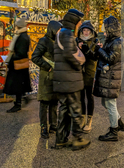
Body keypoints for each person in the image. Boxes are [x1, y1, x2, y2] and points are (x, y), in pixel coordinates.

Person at [53, 9, 90, 151]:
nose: (80, 24)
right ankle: (79, 139)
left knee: (63, 109)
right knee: (75, 109)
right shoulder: (68, 33)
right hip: (70, 79)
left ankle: (61, 139)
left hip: (62, 79)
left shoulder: (60, 33)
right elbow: (69, 54)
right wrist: (78, 64)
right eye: (79, 21)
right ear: (74, 21)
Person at [93, 16, 124, 141]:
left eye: (106, 29)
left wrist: (100, 50)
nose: (104, 32)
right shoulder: (112, 40)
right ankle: (119, 123)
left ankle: (114, 131)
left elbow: (110, 59)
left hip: (112, 77)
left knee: (110, 103)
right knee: (105, 102)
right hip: (109, 77)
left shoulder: (118, 41)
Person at [31, 20, 62, 139]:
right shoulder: (44, 41)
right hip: (46, 77)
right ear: (53, 29)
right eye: (58, 29)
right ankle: (44, 127)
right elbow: (35, 57)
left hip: (55, 77)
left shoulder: (58, 42)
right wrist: (47, 66)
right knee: (44, 104)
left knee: (54, 102)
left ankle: (53, 125)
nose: (60, 32)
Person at [3, 18, 32, 112]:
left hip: (17, 65)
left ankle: (18, 103)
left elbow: (20, 52)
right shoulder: (24, 36)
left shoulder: (21, 37)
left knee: (16, 85)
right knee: (20, 84)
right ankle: (22, 99)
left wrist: (11, 59)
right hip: (21, 64)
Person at [77, 20, 98, 133]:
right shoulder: (77, 41)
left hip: (90, 73)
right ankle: (82, 119)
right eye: (84, 30)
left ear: (91, 31)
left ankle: (89, 120)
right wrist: (78, 48)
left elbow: (95, 57)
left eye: (87, 30)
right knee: (80, 97)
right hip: (80, 73)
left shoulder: (95, 42)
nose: (85, 32)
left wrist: (87, 51)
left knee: (89, 97)